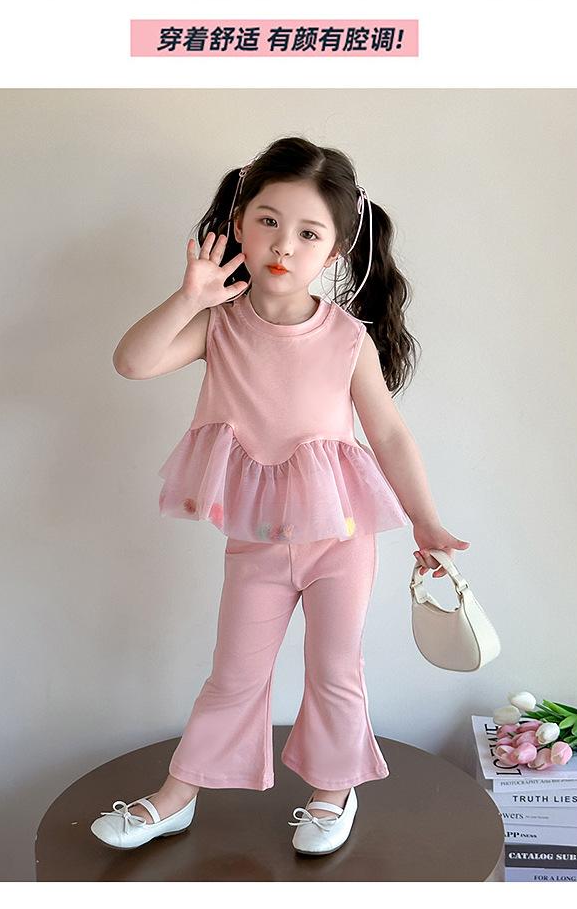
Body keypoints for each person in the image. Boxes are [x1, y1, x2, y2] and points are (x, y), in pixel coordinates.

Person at [91, 136, 470, 854]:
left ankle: (334, 791)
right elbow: (132, 363)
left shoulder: (346, 338)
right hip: (259, 540)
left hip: (341, 538)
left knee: (335, 669)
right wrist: (190, 295)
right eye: (267, 220)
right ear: (237, 222)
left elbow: (389, 435)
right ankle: (177, 797)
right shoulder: (218, 324)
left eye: (308, 233)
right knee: (234, 674)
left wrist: (426, 520)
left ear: (336, 250)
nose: (283, 245)